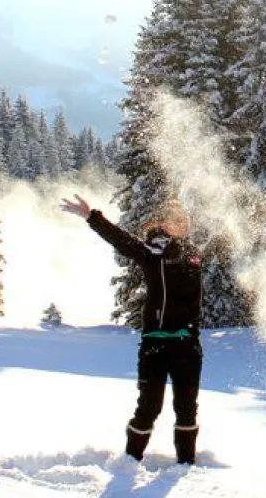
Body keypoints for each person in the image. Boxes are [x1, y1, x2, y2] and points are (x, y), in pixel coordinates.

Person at [59, 194, 204, 465]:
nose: (183, 224)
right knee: (149, 407)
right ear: (166, 224)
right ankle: (130, 462)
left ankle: (186, 465)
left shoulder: (195, 253)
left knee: (187, 409)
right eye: (177, 220)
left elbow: (228, 238)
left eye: (186, 221)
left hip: (188, 345)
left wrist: (262, 215)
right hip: (155, 346)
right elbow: (120, 240)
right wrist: (92, 217)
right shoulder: (151, 253)